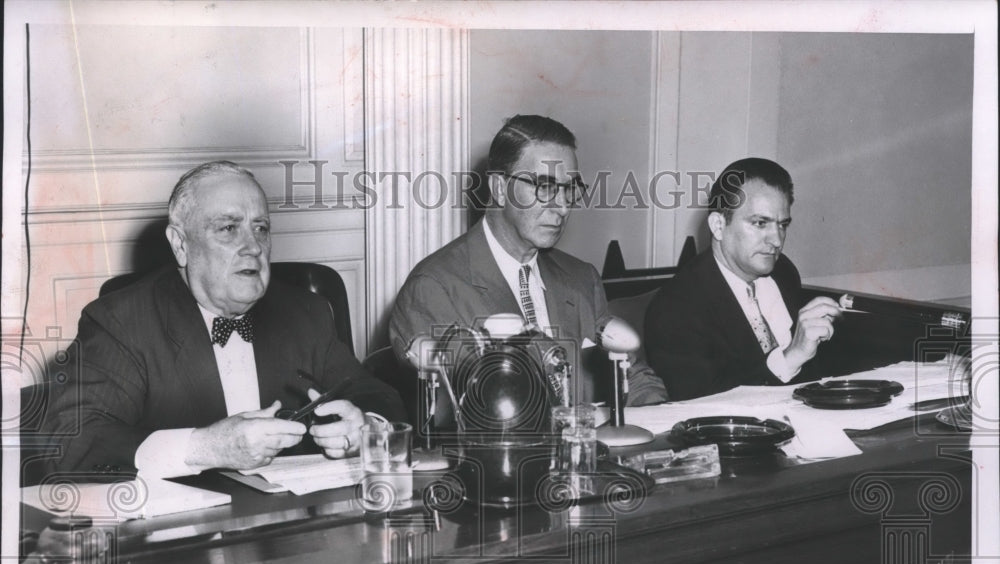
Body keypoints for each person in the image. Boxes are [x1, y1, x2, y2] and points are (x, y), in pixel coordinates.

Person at [43, 161, 406, 478]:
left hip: (293, 533)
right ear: (181, 245)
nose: (252, 246)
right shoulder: (121, 321)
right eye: (228, 228)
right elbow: (73, 441)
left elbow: (377, 395)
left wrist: (365, 428)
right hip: (178, 541)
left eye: (260, 228)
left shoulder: (303, 312)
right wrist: (205, 447)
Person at [389, 115, 667, 407]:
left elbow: (633, 378)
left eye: (569, 188)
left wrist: (659, 417)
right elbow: (465, 412)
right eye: (544, 186)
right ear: (499, 188)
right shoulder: (435, 288)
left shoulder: (581, 278)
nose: (561, 206)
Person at [644, 157, 843, 401]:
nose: (777, 240)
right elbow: (703, 406)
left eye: (783, 225)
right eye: (760, 223)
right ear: (718, 225)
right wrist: (790, 358)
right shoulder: (676, 306)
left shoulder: (784, 273)